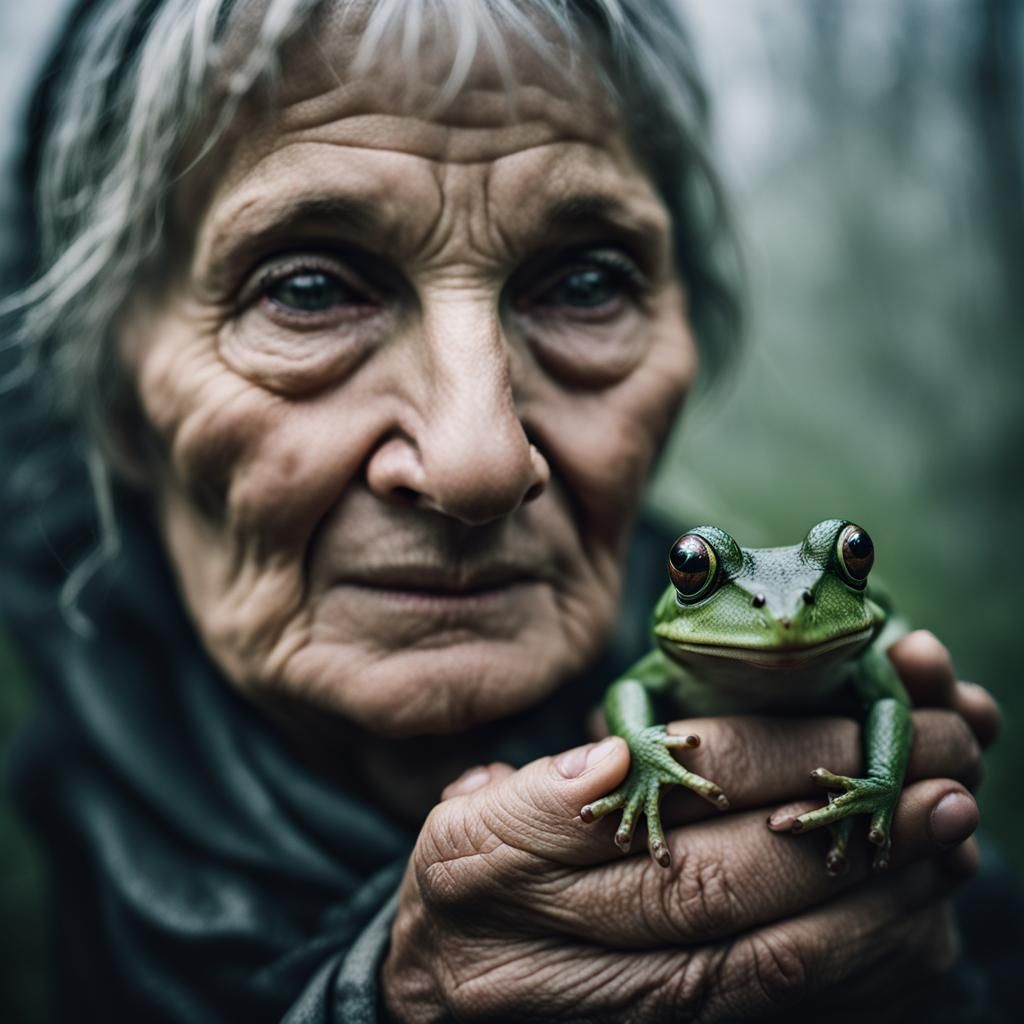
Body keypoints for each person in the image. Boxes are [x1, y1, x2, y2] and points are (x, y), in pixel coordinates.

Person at [0, 1, 1005, 1021]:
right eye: (305, 288)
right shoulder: (39, 842)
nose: (479, 461)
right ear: (114, 394)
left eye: (582, 282)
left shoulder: (847, 752)